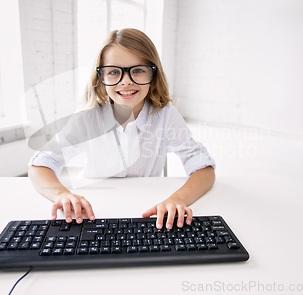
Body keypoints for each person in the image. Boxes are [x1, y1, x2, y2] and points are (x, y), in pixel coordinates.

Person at [28, 28, 215, 230]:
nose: (126, 81)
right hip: (94, 213)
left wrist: (178, 199)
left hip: (147, 214)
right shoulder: (86, 119)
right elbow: (41, 163)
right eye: (114, 72)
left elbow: (203, 168)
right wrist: (62, 194)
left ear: (153, 73)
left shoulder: (166, 115)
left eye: (138, 70)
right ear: (101, 77)